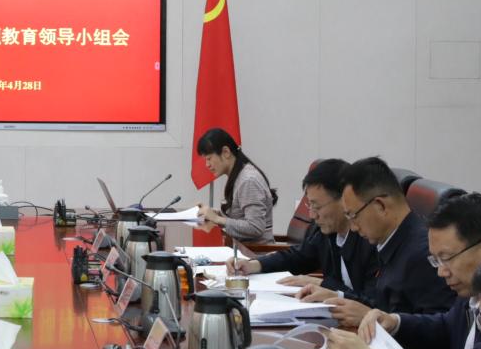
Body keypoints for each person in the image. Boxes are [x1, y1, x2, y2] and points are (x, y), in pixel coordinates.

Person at [324, 191, 481, 349]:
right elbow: (446, 327)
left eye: (446, 258)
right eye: (436, 260)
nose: (441, 272)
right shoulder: (473, 288)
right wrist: (395, 322)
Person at [324, 156, 455, 324]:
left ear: (381, 206)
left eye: (354, 216)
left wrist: (373, 319)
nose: (354, 228)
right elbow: (384, 305)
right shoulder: (391, 240)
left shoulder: (422, 254)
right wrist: (338, 296)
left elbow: (440, 331)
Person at [231, 159, 373, 295]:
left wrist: (321, 284)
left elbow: (370, 300)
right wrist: (254, 264)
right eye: (309, 205)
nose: (312, 215)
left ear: (344, 200)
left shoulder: (369, 237)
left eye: (317, 206)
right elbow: (298, 257)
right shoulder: (327, 233)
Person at [195, 128, 275, 241]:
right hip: (240, 247)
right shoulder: (239, 175)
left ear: (226, 152)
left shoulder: (248, 181)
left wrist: (217, 219)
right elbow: (242, 218)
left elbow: (255, 227)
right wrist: (216, 215)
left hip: (253, 250)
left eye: (209, 158)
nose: (207, 165)